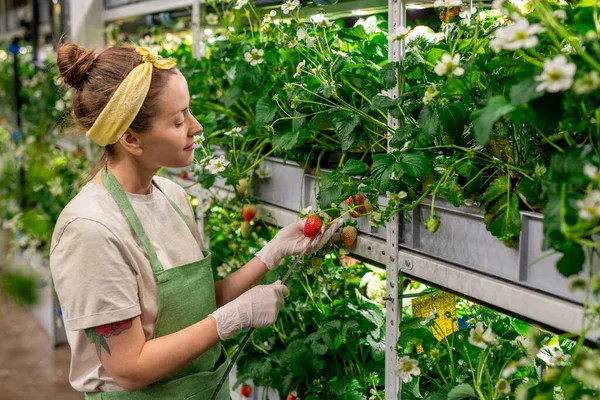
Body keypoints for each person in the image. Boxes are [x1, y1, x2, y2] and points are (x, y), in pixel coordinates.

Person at [49, 43, 341, 399]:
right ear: (130, 138)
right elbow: (129, 368)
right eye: (178, 120)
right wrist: (231, 321)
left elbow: (196, 308)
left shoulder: (172, 197)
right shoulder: (91, 230)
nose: (196, 127)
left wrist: (270, 255)